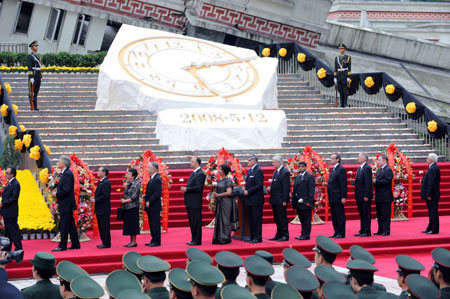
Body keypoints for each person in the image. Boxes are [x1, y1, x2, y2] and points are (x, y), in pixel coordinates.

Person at [52, 156, 80, 252]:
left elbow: (67, 189)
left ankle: (62, 245)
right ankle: (75, 243)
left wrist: (57, 194)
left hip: (66, 203)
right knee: (70, 224)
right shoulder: (65, 173)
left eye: (59, 161)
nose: (57, 163)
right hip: (65, 203)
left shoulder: (67, 174)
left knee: (64, 225)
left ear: (64, 163)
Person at [181, 157, 206, 246]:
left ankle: (197, 240)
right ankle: (194, 239)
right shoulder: (194, 173)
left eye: (192, 161)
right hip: (190, 201)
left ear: (198, 163)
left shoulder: (200, 174)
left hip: (195, 202)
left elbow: (198, 187)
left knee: (196, 221)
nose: (190, 163)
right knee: (192, 221)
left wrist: (187, 189)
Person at [267, 155, 290, 241]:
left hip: (280, 199)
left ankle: (285, 234)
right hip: (274, 198)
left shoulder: (285, 172)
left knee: (282, 217)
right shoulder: (276, 172)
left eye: (273, 162)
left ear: (279, 162)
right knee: (276, 218)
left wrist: (285, 200)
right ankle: (278, 233)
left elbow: (286, 187)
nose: (272, 164)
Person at [324, 153, 347, 239]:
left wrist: (343, 196)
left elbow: (343, 184)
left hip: (338, 196)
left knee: (339, 215)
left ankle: (341, 232)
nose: (331, 160)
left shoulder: (340, 169)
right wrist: (327, 184)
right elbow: (334, 182)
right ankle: (336, 231)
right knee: (334, 216)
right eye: (331, 158)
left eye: (333, 158)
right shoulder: (333, 169)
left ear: (338, 159)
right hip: (332, 196)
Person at [291, 162, 315, 240]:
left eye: (302, 166)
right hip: (298, 202)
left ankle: (306, 235)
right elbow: (295, 189)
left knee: (306, 220)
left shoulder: (309, 176)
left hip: (306, 202)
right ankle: (302, 234)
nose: (300, 168)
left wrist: (309, 201)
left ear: (305, 167)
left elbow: (311, 190)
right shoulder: (298, 177)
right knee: (302, 219)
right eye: (299, 166)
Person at [0, 166, 22, 251]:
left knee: (13, 230)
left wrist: (2, 203)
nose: (5, 174)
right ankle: (7, 247)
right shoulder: (9, 183)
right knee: (8, 231)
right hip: (7, 211)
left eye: (7, 173)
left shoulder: (16, 184)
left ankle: (18, 247)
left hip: (11, 211)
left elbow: (14, 198)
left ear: (12, 174)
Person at [244, 155, 264, 243]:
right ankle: (252, 235)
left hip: (256, 199)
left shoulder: (258, 171)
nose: (247, 162)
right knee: (251, 219)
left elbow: (259, 185)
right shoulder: (250, 170)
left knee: (256, 219)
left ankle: (257, 237)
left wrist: (248, 191)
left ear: (254, 161)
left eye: (249, 160)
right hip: (249, 199)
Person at [351, 153, 372, 237]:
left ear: (364, 158)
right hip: (359, 194)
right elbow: (361, 180)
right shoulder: (360, 168)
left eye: (359, 157)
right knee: (362, 213)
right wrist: (354, 181)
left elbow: (368, 183)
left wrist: (367, 195)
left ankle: (367, 231)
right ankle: (362, 229)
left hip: (364, 195)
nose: (357, 158)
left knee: (366, 213)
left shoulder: (367, 168)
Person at [212, 164, 233, 245]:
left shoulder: (228, 181)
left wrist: (219, 195)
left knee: (225, 219)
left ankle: (225, 237)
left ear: (224, 171)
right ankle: (219, 237)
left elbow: (229, 192)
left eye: (220, 169)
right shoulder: (220, 180)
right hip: (220, 201)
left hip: (226, 201)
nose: (218, 171)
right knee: (219, 218)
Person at [373, 155, 393, 236]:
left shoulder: (388, 170)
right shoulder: (379, 170)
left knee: (385, 214)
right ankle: (380, 229)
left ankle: (386, 230)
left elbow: (387, 181)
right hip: (379, 195)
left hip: (385, 196)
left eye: (379, 160)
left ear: (384, 161)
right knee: (379, 214)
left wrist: (376, 181)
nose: (378, 161)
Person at [421, 153, 441, 234]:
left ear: (431, 160)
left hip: (432, 195)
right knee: (431, 212)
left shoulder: (433, 168)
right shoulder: (432, 167)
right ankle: (430, 227)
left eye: (427, 158)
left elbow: (431, 183)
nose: (426, 159)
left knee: (433, 212)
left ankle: (434, 229)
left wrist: (429, 194)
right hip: (432, 194)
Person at [92, 166, 111, 249]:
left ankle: (106, 243)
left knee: (104, 226)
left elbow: (105, 196)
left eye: (99, 171)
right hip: (100, 208)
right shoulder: (102, 182)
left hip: (104, 208)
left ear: (104, 173)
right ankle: (104, 241)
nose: (98, 172)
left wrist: (95, 200)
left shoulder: (106, 182)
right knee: (101, 226)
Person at [122, 167, 141, 247]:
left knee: (133, 224)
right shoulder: (129, 183)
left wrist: (125, 201)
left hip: (133, 207)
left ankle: (134, 242)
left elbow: (134, 197)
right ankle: (131, 241)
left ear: (133, 176)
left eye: (129, 174)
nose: (127, 175)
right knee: (129, 225)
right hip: (127, 207)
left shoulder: (136, 184)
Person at [144, 161, 162, 247]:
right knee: (152, 223)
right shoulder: (152, 178)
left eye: (149, 167)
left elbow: (157, 193)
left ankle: (156, 241)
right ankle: (153, 239)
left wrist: (149, 201)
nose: (147, 169)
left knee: (155, 223)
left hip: (154, 205)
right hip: (151, 205)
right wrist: (146, 196)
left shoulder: (157, 179)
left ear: (154, 169)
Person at [333, 43, 351, 108]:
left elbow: (349, 68)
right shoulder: (336, 58)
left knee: (345, 90)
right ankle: (341, 103)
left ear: (344, 49)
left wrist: (348, 77)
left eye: (342, 49)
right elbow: (335, 68)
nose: (340, 50)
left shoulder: (348, 57)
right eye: (340, 49)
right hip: (339, 75)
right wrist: (335, 77)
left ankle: (345, 103)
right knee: (340, 89)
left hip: (345, 74)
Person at [27, 40, 42, 111]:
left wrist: (41, 76)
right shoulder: (30, 56)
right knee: (31, 91)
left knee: (36, 91)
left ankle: (35, 106)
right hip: (33, 74)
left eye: (37, 46)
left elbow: (40, 67)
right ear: (32, 47)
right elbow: (29, 67)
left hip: (38, 74)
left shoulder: (38, 56)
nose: (37, 47)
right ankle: (32, 106)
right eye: (35, 46)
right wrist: (31, 77)